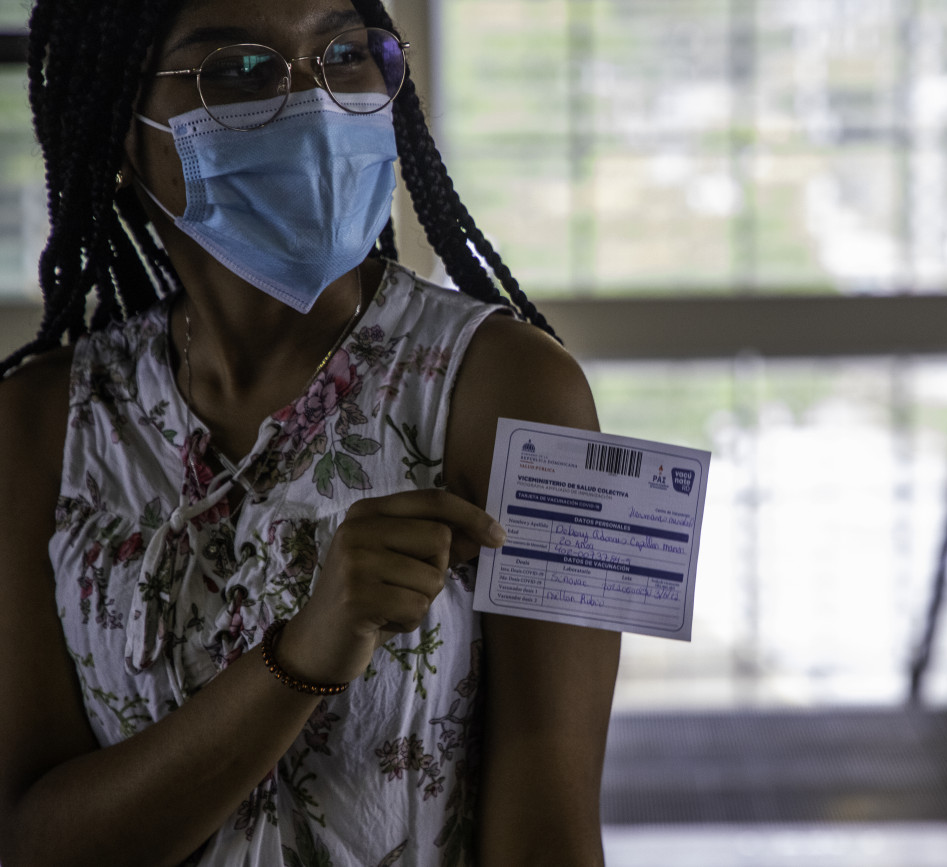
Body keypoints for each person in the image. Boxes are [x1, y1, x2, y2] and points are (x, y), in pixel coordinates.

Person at [0, 0, 621, 864]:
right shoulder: (41, 426)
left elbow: (551, 829)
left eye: (345, 53)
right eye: (237, 71)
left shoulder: (516, 390)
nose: (314, 103)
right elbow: (32, 840)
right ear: (118, 133)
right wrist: (301, 656)